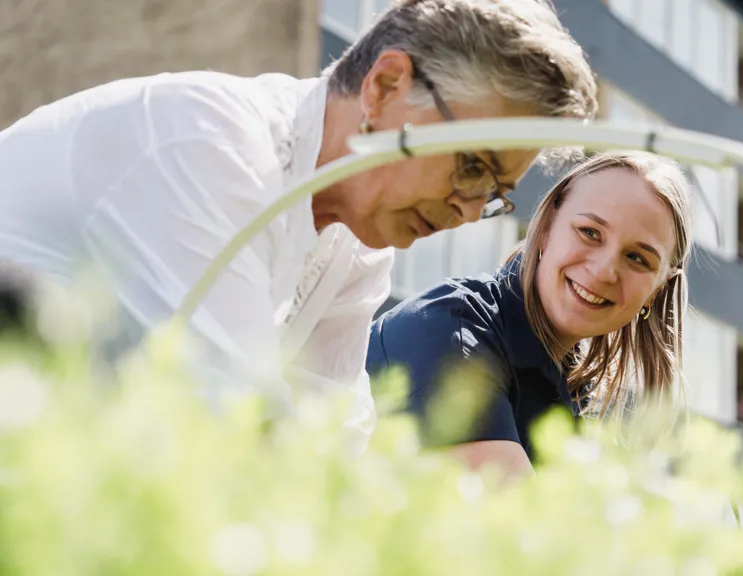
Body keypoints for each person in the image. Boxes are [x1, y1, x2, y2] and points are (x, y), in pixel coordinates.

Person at [0, 0, 598, 447]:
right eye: (471, 167)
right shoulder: (208, 142)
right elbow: (229, 418)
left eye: (494, 194)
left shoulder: (359, 246)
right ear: (386, 86)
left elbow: (339, 436)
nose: (469, 212)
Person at [366, 152, 694, 476]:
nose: (604, 270)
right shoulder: (453, 332)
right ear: (549, 224)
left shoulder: (574, 396)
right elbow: (517, 518)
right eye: (590, 232)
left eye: (638, 258)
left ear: (657, 289)